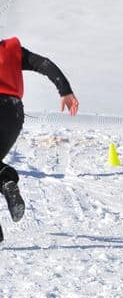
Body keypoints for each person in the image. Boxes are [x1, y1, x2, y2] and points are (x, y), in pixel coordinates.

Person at [0, 37, 79, 243]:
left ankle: (6, 180)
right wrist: (65, 90)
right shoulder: (11, 50)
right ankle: (6, 182)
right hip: (13, 113)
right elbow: (44, 64)